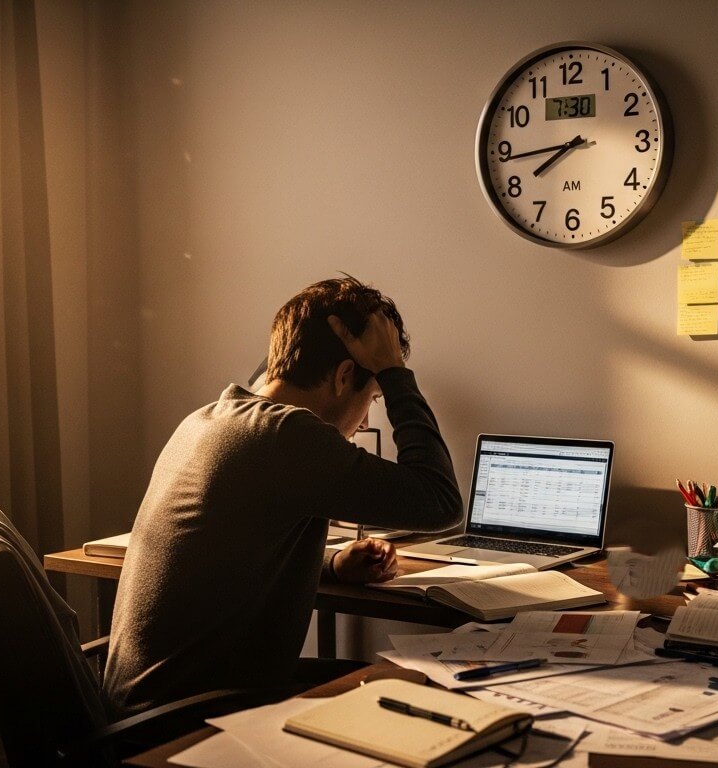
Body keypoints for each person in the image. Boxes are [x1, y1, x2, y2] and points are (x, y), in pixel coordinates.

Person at [104, 276, 463, 715]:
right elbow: (440, 499)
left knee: (390, 682)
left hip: (151, 705)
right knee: (417, 693)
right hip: (187, 721)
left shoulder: (211, 419)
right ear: (343, 375)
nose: (367, 421)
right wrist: (395, 373)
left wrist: (332, 564)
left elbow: (234, 557)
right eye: (372, 399)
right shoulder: (286, 435)